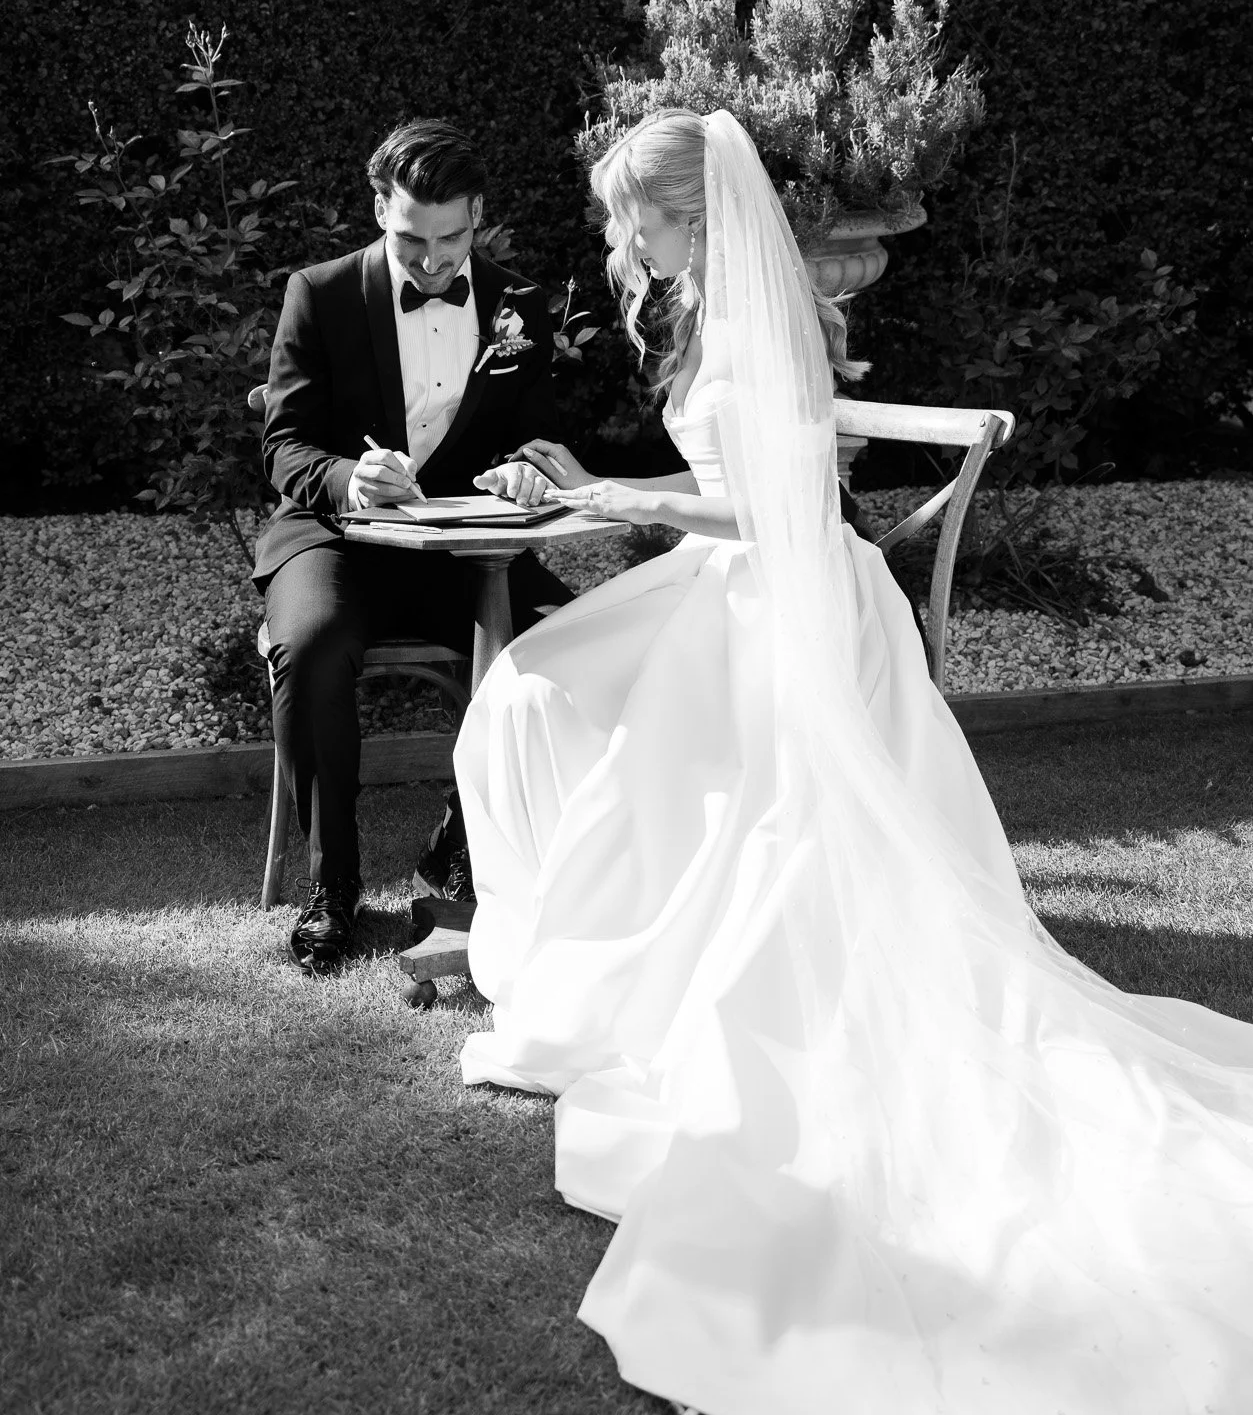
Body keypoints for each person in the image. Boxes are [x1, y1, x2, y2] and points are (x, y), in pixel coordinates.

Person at [454, 107, 1253, 1414]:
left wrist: (614, 496)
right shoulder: (710, 304)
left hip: (790, 603)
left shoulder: (753, 318)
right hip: (732, 584)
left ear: (687, 218)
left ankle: (639, 956)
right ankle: (574, 932)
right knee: (532, 692)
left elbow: (780, 509)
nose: (616, 237)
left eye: (627, 216)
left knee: (585, 706)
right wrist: (591, 477)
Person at [252, 118, 572, 972]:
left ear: (478, 218)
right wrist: (349, 477)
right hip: (335, 541)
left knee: (573, 643)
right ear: (377, 210)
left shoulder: (519, 307)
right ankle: (334, 886)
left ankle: (463, 843)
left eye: (453, 238)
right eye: (410, 239)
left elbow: (534, 438)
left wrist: (518, 473)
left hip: (463, 553)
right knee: (311, 646)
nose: (432, 262)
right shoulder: (317, 293)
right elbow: (283, 445)